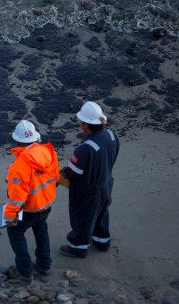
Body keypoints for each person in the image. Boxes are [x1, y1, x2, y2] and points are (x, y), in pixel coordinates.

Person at [59, 101, 119, 258]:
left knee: (83, 218)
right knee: (102, 213)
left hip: (88, 191)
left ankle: (77, 247)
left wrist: (60, 175)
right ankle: (102, 241)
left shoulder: (85, 149)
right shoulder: (112, 136)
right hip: (106, 184)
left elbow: (72, 172)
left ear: (85, 124)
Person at [3, 120, 60, 281]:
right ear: (35, 138)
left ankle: (24, 271)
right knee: (41, 230)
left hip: (29, 209)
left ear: (18, 140)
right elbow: (56, 178)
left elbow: (17, 198)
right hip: (46, 204)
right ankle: (44, 265)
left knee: (15, 234)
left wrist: (10, 217)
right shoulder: (49, 152)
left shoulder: (19, 166)